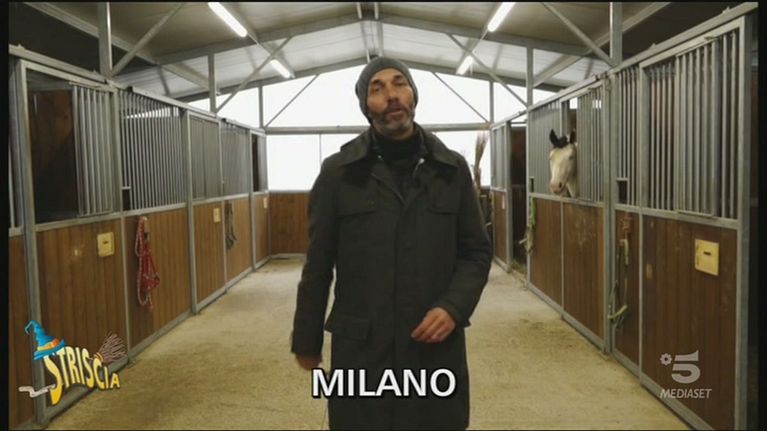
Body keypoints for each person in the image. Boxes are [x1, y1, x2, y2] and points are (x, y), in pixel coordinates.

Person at [291, 56, 492, 430]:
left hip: (432, 347)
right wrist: (307, 338)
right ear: (366, 106)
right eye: (377, 88)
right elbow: (318, 264)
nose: (391, 95)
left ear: (413, 95)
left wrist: (453, 307)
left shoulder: (451, 170)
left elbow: (476, 253)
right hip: (363, 347)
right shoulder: (339, 173)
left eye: (400, 83)